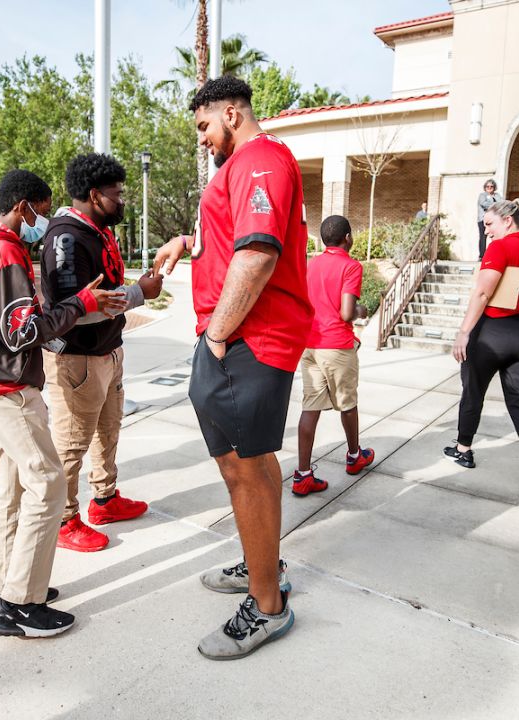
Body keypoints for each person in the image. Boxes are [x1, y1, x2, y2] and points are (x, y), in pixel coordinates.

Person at [152, 76, 312, 660]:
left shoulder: (259, 160)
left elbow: (258, 251)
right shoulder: (243, 168)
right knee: (246, 464)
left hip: (248, 338)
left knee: (243, 469)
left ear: (232, 112)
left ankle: (268, 605)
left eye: (203, 126)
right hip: (242, 337)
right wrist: (186, 241)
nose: (202, 140)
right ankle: (260, 564)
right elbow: (230, 238)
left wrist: (216, 337)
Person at [0, 169, 127, 638]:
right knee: (49, 483)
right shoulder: (7, 253)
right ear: (24, 206)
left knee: (11, 489)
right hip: (6, 384)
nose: (44, 220)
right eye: (42, 209)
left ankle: (1, 586)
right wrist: (84, 302)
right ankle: (20, 605)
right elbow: (21, 332)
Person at [41, 153, 163, 553]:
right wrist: (138, 294)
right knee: (72, 442)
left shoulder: (96, 230)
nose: (122, 200)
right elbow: (69, 310)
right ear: (95, 195)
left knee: (107, 432)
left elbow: (104, 287)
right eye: (117, 194)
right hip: (78, 358)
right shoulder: (66, 238)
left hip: (109, 351)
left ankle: (105, 500)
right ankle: (63, 519)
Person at [445, 199, 519, 498]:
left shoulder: (500, 247)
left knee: (473, 390)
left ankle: (464, 449)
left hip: (493, 332)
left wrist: (463, 332)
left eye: (489, 223)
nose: (486, 229)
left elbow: (483, 292)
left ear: (508, 220)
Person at [292, 215, 375, 497]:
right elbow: (346, 312)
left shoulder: (310, 265)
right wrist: (361, 311)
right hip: (337, 345)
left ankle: (302, 474)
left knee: (310, 407)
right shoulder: (351, 266)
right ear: (348, 238)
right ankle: (354, 456)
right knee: (348, 404)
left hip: (310, 345)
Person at [477, 179, 502, 258]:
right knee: (483, 237)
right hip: (483, 219)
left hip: (494, 220)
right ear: (485, 187)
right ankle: (482, 255)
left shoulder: (497, 195)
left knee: (495, 237)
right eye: (487, 186)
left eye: (491, 186)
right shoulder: (482, 195)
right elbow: (483, 204)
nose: (489, 188)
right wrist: (495, 204)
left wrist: (493, 204)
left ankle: (494, 254)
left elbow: (501, 203)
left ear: (494, 187)